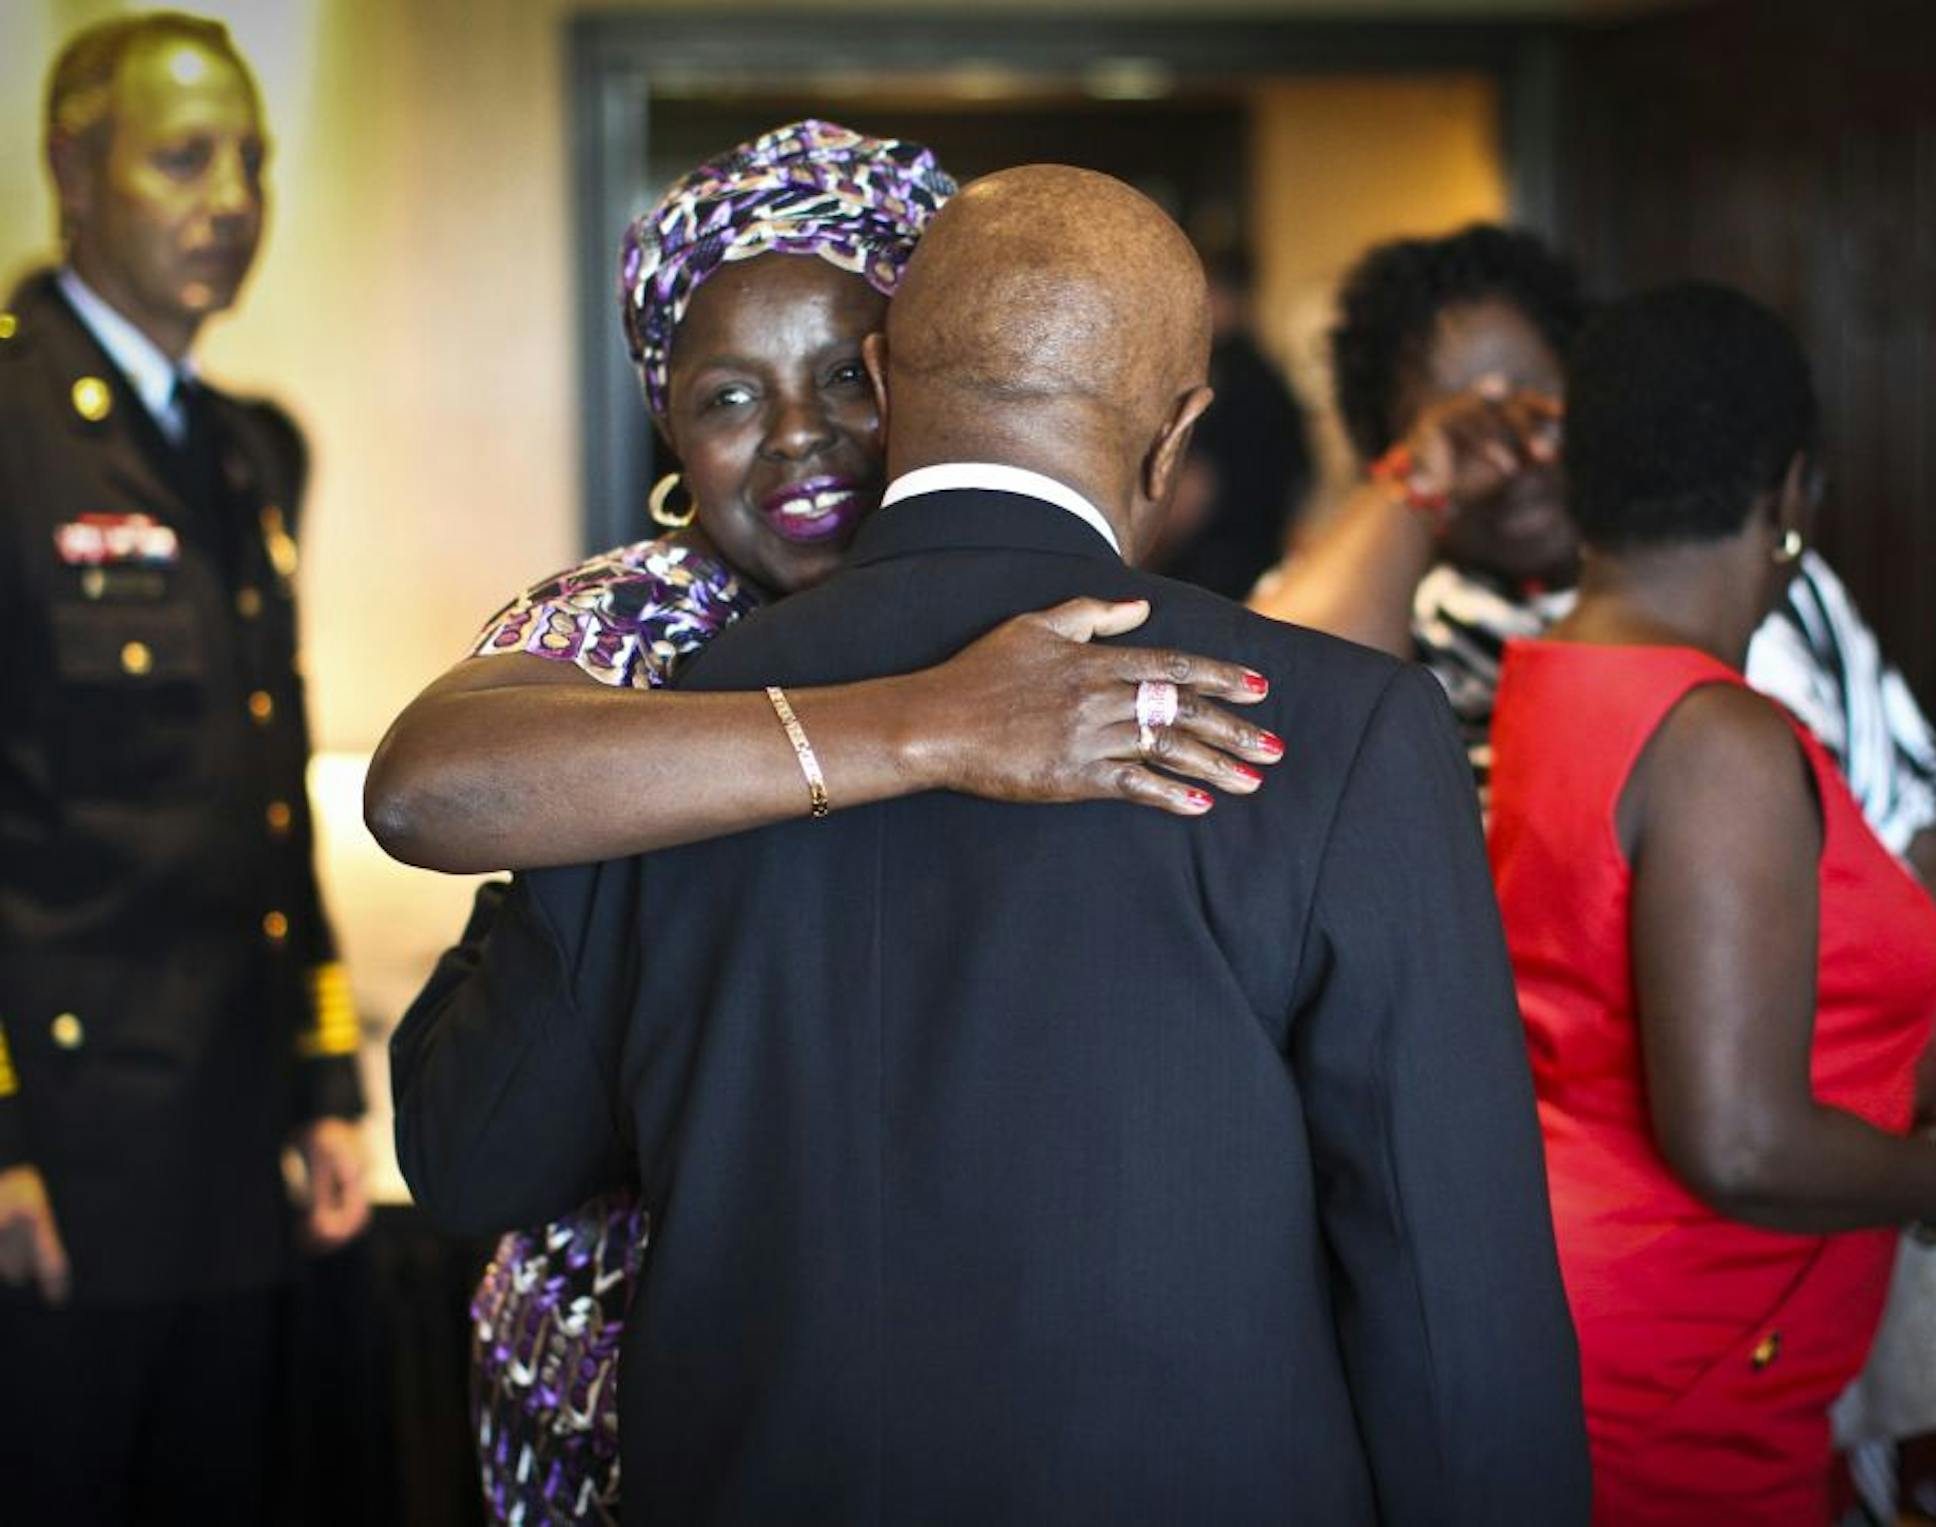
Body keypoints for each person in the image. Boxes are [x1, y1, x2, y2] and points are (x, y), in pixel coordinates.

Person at [393, 163, 1588, 1522]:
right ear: (1175, 430)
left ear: (889, 377)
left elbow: (480, 1153)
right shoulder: (1338, 730)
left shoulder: (657, 728)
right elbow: (1450, 1299)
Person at [1486, 282, 1936, 1523]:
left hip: (1583, 1298)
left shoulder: (1554, 676)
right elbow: (1740, 1144)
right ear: (1786, 495)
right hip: (1688, 1353)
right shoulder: (1713, 735)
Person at [0, 14, 367, 1521]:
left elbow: (266, 791)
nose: (233, 196)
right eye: (182, 156)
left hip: (237, 1140)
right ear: (71, 172)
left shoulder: (245, 450)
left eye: (254, 160)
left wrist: (325, 1077)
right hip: (63, 1161)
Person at [1251, 227, 1936, 924]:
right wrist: (1424, 473)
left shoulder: (1757, 563)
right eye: (1462, 428)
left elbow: (1915, 824)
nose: (1513, 455)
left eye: (1538, 404)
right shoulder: (1398, 601)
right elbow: (1290, 704)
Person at [1147, 248, 1313, 597]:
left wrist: (1142, 561)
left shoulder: (1222, 379)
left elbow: (1194, 490)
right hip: (1263, 564)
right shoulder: (1272, 378)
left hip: (1210, 570)